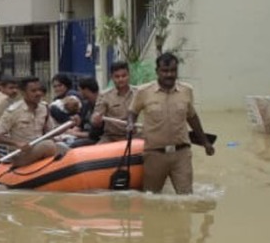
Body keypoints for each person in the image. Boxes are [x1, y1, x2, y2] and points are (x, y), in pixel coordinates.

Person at [130, 51, 214, 195]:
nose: (169, 75)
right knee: (152, 199)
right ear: (157, 71)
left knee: (186, 198)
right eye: (165, 71)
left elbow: (192, 117)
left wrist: (205, 143)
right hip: (154, 154)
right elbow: (132, 111)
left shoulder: (186, 91)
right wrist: (130, 124)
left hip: (181, 154)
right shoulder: (143, 92)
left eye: (173, 71)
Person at [0, 77, 62, 167]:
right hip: (21, 154)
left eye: (40, 90)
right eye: (33, 91)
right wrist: (17, 143)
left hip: (39, 148)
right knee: (48, 145)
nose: (39, 93)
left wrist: (69, 125)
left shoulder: (44, 108)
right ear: (23, 93)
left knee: (63, 147)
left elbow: (50, 132)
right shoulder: (13, 111)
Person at [91, 60, 137, 140]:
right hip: (111, 138)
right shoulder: (104, 96)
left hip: (134, 137)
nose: (121, 79)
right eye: (117, 76)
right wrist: (96, 119)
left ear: (129, 75)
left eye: (124, 76)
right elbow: (95, 120)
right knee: (96, 151)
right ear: (112, 77)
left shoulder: (138, 93)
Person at [77, 76, 104, 140]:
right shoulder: (86, 105)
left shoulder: (102, 105)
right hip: (84, 135)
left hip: (95, 138)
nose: (79, 93)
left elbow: (95, 134)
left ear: (86, 90)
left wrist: (74, 134)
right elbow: (81, 125)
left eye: (79, 90)